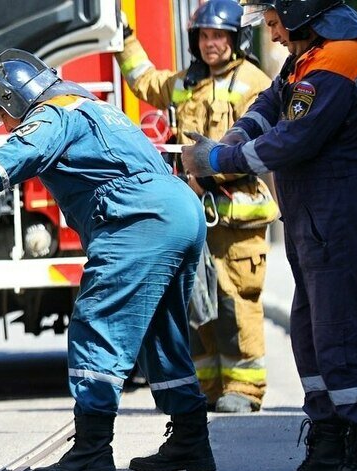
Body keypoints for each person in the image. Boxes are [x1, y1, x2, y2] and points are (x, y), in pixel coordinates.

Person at [0, 49, 214, 471]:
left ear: (16, 100)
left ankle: (92, 451)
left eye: (2, 116)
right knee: (160, 332)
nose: (6, 127)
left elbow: (10, 160)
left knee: (96, 326)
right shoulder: (93, 106)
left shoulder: (52, 116)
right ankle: (190, 441)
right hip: (179, 210)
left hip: (136, 219)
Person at [182, 0, 357, 471]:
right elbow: (270, 106)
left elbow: (293, 139)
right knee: (313, 336)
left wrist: (216, 157)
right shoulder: (309, 57)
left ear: (300, 15)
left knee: (344, 335)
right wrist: (233, 134)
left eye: (274, 23)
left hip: (339, 216)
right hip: (316, 220)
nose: (272, 35)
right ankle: (328, 448)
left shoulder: (340, 60)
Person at [115, 0, 274, 413]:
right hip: (194, 213)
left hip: (237, 218)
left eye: (218, 36)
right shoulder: (188, 81)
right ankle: (206, 389)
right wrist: (124, 38)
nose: (210, 44)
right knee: (198, 303)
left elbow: (253, 146)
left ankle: (244, 389)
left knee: (236, 301)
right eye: (203, 36)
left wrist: (206, 174)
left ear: (236, 39)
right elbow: (145, 82)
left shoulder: (253, 82)